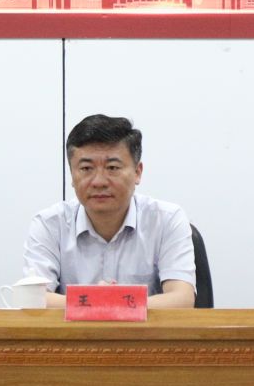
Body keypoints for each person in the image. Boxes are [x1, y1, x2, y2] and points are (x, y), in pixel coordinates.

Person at [23, 113, 198, 309]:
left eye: (112, 167)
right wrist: (104, 301)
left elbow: (182, 299)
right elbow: (33, 298)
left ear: (137, 172)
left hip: (146, 331)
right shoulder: (49, 224)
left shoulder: (166, 220)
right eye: (86, 168)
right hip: (76, 331)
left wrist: (104, 302)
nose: (99, 182)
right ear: (72, 175)